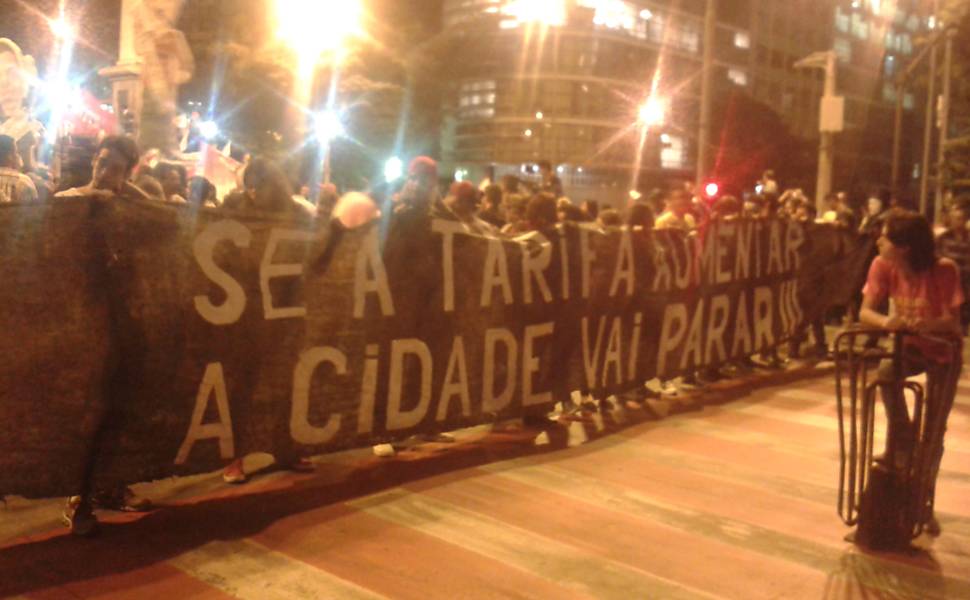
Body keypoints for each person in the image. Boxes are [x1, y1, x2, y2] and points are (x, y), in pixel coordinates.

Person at [859, 210, 963, 535]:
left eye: (885, 237)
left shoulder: (943, 269)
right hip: (908, 347)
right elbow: (866, 312)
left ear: (904, 246)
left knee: (933, 431)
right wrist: (887, 322)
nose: (879, 240)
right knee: (887, 373)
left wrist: (925, 325)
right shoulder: (882, 266)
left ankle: (922, 504)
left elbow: (952, 321)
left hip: (943, 352)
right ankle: (903, 439)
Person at [55, 135, 150, 202]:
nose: (104, 173)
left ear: (126, 175)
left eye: (115, 169)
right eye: (102, 162)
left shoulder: (130, 209)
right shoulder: (64, 198)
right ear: (94, 160)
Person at [936, 198, 970, 332]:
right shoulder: (943, 238)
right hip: (947, 284)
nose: (956, 221)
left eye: (960, 218)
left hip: (966, 284)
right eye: (954, 218)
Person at [0, 134, 36, 203]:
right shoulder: (23, 181)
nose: (19, 156)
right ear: (9, 156)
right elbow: (34, 211)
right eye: (17, 152)